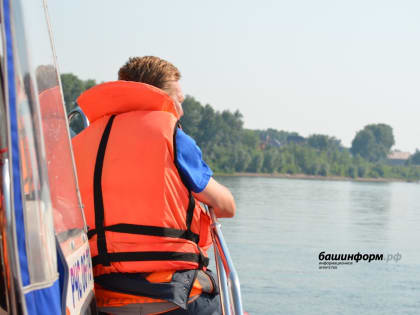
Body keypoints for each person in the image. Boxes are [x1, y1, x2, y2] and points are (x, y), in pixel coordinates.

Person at [72, 56, 235, 314]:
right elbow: (226, 206)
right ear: (159, 97)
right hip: (175, 296)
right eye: (178, 101)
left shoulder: (79, 145)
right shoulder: (171, 135)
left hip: (104, 297)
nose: (181, 110)